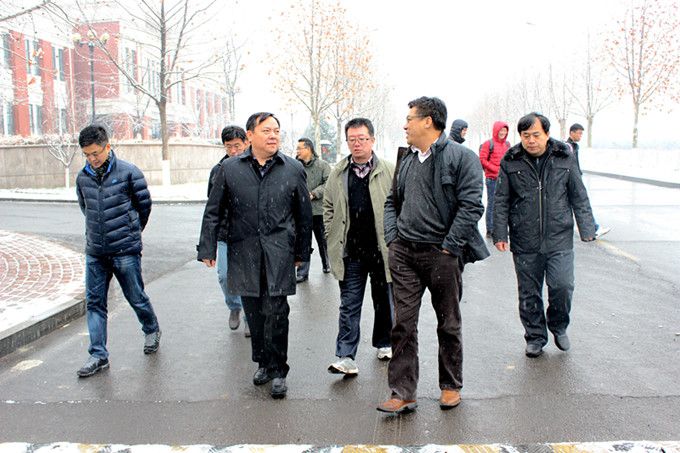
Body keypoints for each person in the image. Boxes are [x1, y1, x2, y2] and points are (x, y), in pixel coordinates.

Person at [379, 97, 489, 414]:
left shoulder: (462, 158)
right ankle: (403, 392)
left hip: (441, 255)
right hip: (404, 254)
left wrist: (450, 246)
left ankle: (451, 386)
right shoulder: (406, 158)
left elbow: (472, 206)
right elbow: (392, 202)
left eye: (409, 119)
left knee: (448, 323)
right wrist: (393, 239)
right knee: (402, 324)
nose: (405, 125)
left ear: (428, 121)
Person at [197, 112, 312, 399]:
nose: (273, 136)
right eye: (266, 130)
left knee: (277, 312)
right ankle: (262, 362)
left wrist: (301, 252)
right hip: (243, 250)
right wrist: (207, 247)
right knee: (254, 313)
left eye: (276, 131)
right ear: (250, 135)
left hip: (279, 252)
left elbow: (304, 215)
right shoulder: (230, 169)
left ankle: (278, 370)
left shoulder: (292, 168)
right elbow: (214, 210)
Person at [493, 113, 597, 358]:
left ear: (547, 134)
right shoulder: (511, 160)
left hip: (559, 236)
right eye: (525, 135)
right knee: (529, 292)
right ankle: (535, 337)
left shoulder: (564, 157)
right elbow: (501, 199)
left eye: (536, 135)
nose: (531, 140)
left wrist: (587, 227)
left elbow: (578, 194)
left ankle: (559, 325)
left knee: (562, 285)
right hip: (524, 238)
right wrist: (500, 233)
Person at [75, 125, 161, 378]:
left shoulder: (129, 173)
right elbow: (86, 208)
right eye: (87, 155)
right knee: (95, 302)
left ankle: (151, 328)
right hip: (95, 251)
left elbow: (144, 207)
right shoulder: (82, 178)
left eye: (95, 153)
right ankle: (98, 355)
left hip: (125, 250)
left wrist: (131, 232)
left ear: (107, 147)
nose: (92, 159)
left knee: (135, 296)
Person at [323, 118, 394, 376]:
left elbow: (399, 205)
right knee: (349, 304)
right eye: (352, 139)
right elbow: (328, 206)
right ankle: (345, 356)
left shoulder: (389, 170)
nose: (357, 144)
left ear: (372, 140)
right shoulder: (338, 173)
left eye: (362, 139)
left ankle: (385, 342)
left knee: (384, 301)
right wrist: (330, 233)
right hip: (351, 252)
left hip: (381, 251)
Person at [208, 125, 249, 335]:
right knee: (224, 276)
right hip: (226, 234)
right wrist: (208, 244)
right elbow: (212, 207)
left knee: (250, 278)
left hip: (249, 234)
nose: (233, 151)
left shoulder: (254, 167)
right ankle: (234, 306)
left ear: (246, 143)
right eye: (228, 146)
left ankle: (250, 316)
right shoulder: (218, 170)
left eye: (237, 146)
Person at [295, 137, 331, 283]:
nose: (297, 151)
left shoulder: (323, 165)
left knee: (322, 240)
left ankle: (326, 263)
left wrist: (314, 193)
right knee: (303, 242)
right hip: (300, 212)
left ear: (308, 149)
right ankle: (302, 272)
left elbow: (329, 183)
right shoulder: (295, 166)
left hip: (318, 211)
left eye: (299, 148)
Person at [566, 123, 610, 238]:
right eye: (579, 133)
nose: (580, 136)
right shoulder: (568, 147)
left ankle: (594, 228)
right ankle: (594, 228)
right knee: (581, 205)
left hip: (574, 179)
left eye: (581, 134)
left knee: (580, 205)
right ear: (571, 133)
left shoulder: (573, 146)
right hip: (572, 181)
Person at [478, 121, 511, 237]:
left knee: (505, 204)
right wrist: (496, 169)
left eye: (505, 130)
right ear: (496, 131)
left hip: (505, 178)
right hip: (492, 179)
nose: (503, 133)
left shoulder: (507, 144)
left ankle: (502, 228)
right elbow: (482, 160)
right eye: (501, 130)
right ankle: (490, 229)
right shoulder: (488, 144)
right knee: (492, 203)